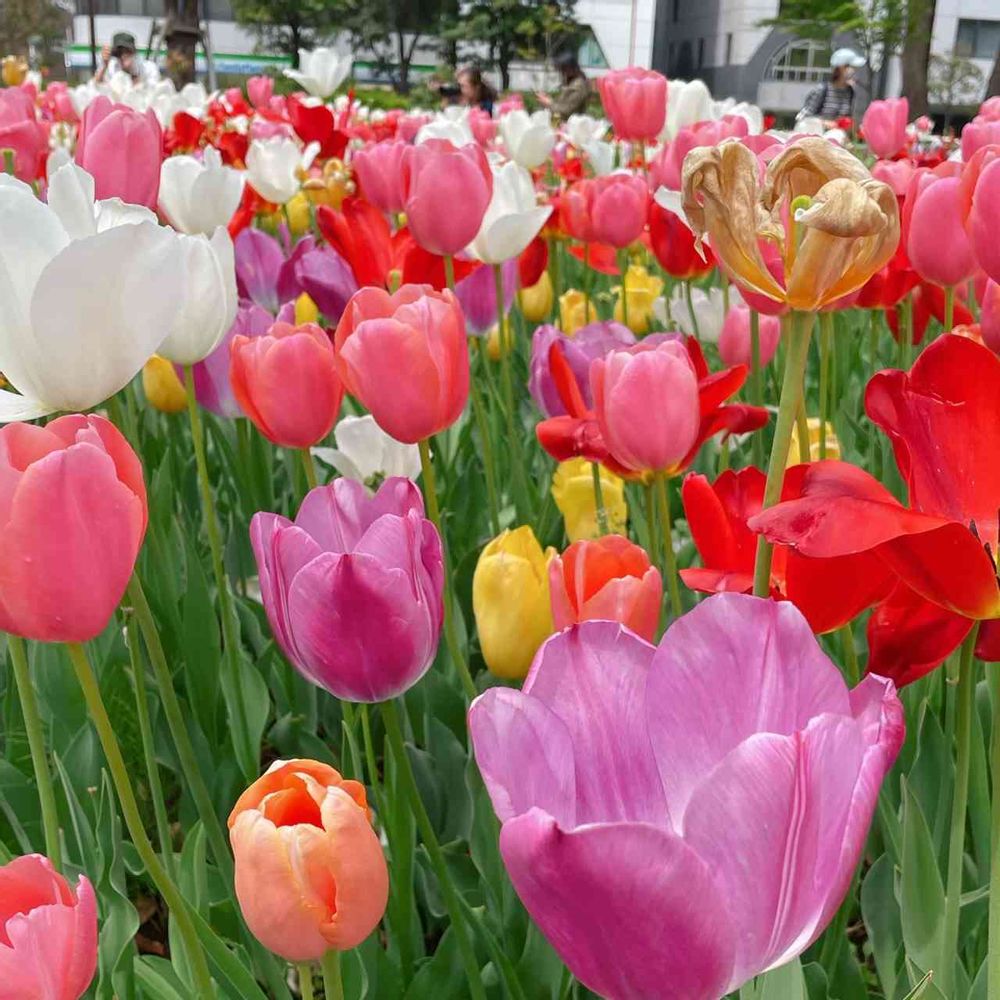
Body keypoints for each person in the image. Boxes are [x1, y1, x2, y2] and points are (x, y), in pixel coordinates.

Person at [797, 48, 865, 126]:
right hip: (818, 135)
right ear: (839, 68)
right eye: (850, 67)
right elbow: (803, 117)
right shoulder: (822, 90)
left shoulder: (850, 92)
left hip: (839, 136)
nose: (854, 71)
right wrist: (825, 123)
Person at [536, 52, 591, 120]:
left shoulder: (578, 85)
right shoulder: (573, 82)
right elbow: (564, 103)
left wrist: (549, 103)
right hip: (566, 122)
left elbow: (566, 110)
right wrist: (548, 99)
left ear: (571, 67)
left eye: (563, 68)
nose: (562, 72)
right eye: (561, 69)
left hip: (573, 125)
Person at [94, 32, 160, 86]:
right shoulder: (110, 66)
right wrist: (105, 65)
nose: (123, 56)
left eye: (127, 52)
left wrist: (131, 72)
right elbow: (96, 86)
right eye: (119, 52)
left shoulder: (149, 67)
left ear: (134, 52)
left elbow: (153, 89)